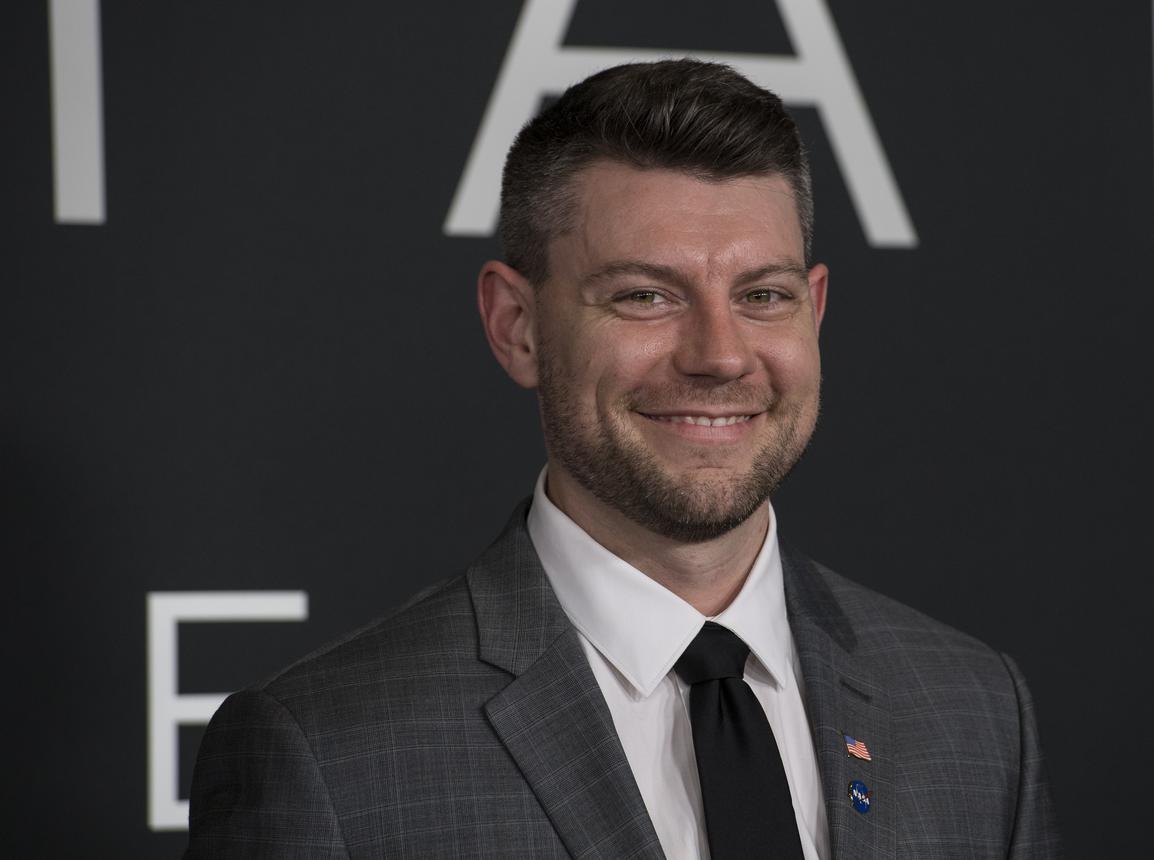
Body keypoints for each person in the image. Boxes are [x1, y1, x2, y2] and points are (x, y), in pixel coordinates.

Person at [186, 59, 1059, 859]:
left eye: (763, 295)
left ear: (815, 310)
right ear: (517, 327)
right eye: (645, 296)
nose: (721, 355)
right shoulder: (328, 754)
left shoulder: (975, 711)